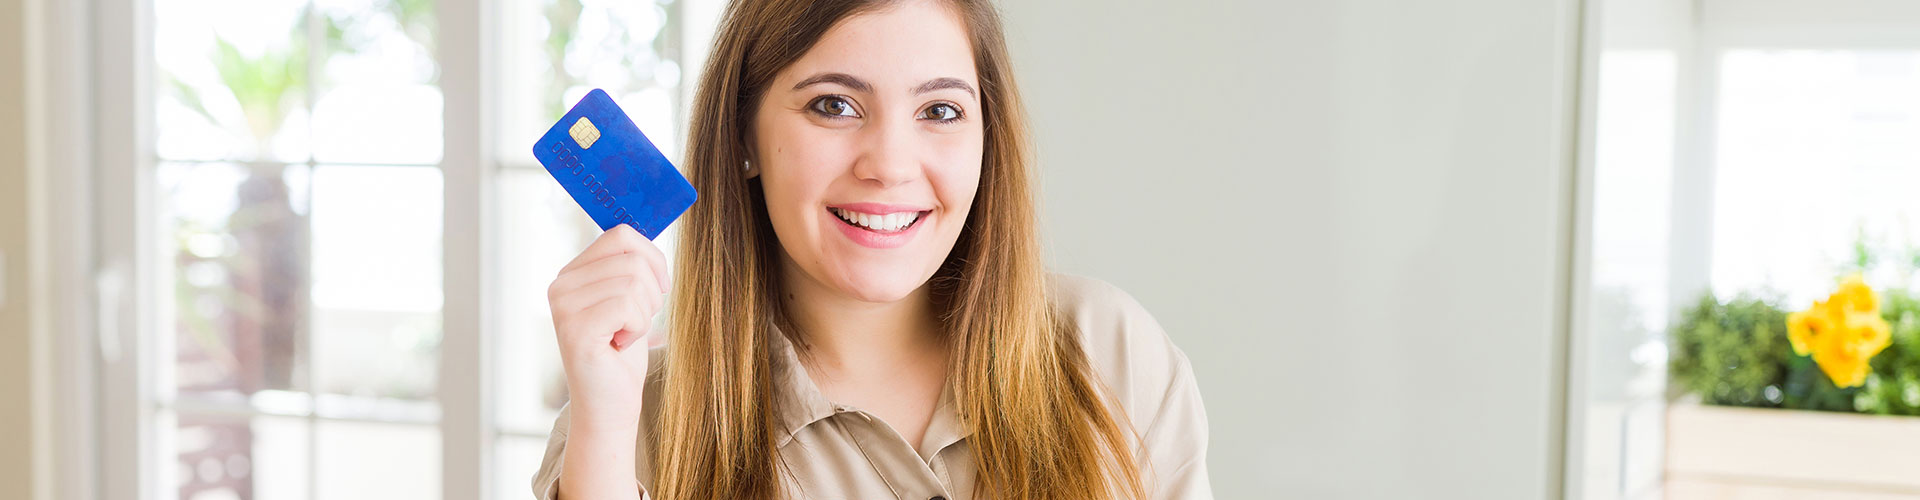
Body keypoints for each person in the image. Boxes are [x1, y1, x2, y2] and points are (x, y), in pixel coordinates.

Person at [532, 0, 1211, 498]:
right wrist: (605, 438)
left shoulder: (1107, 353)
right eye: (834, 105)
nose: (889, 164)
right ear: (743, 136)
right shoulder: (630, 424)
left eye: (939, 111)